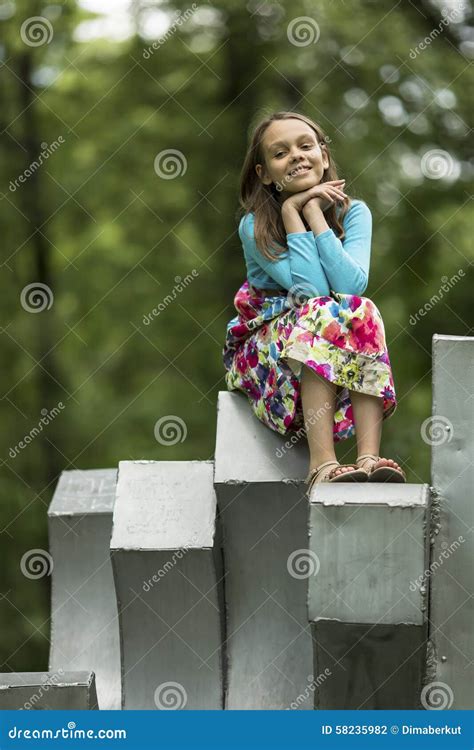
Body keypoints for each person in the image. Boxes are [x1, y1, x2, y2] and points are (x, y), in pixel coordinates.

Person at [222, 110, 406, 494]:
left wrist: (313, 214)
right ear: (264, 174)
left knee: (363, 309)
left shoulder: (353, 213)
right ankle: (321, 464)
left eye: (306, 146)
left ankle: (369, 458)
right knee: (323, 310)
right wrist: (291, 212)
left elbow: (350, 286)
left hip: (323, 342)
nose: (296, 156)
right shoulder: (255, 226)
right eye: (280, 152)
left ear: (323, 155)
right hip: (266, 355)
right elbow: (312, 295)